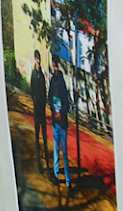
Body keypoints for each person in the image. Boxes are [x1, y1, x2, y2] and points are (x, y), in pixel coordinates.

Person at [49, 54, 71, 192]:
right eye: (53, 65)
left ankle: (68, 181)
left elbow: (67, 104)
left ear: (58, 65)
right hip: (55, 123)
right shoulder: (52, 80)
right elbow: (49, 98)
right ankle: (56, 175)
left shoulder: (62, 82)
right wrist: (53, 109)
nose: (54, 67)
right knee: (56, 151)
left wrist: (60, 112)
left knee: (64, 152)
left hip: (62, 124)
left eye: (56, 65)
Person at [29, 50, 49, 163]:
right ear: (35, 59)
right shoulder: (33, 74)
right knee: (37, 131)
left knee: (44, 131)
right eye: (37, 59)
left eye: (39, 59)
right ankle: (37, 153)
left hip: (42, 107)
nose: (38, 61)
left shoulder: (41, 74)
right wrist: (35, 101)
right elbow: (32, 89)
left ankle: (46, 155)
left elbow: (44, 88)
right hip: (37, 107)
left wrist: (44, 101)